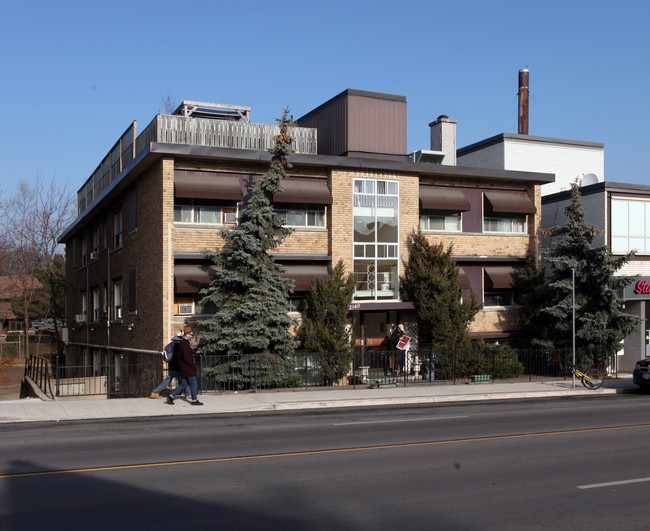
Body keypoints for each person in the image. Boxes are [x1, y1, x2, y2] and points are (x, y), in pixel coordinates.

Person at [166, 326, 203, 406]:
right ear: (187, 334)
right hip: (188, 367)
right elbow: (186, 356)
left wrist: (193, 350)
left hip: (184, 367)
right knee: (193, 383)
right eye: (190, 334)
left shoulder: (184, 343)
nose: (191, 336)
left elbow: (187, 354)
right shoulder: (185, 343)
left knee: (184, 384)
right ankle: (194, 400)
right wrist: (192, 365)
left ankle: (171, 396)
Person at [150, 331, 190, 399]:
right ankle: (188, 394)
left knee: (168, 380)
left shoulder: (171, 344)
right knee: (185, 380)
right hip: (177, 367)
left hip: (171, 366)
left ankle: (155, 392)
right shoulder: (179, 345)